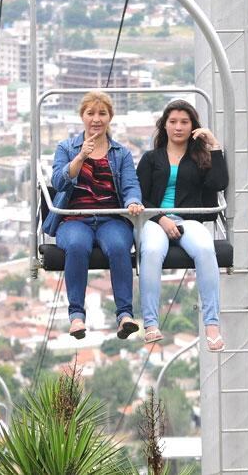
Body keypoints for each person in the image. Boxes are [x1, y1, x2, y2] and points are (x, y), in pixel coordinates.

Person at [43, 91, 145, 339]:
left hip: (110, 217)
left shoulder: (120, 153)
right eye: (91, 113)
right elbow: (58, 180)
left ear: (110, 117)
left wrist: (133, 201)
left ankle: (124, 315)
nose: (96, 119)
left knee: (120, 246)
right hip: (75, 217)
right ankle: (76, 315)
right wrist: (80, 157)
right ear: (82, 117)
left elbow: (130, 185)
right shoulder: (66, 148)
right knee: (77, 246)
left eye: (102, 113)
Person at [136, 100, 228, 351]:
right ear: (164, 126)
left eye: (184, 122)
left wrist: (214, 145)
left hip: (190, 219)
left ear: (193, 127)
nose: (178, 127)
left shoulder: (200, 158)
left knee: (206, 251)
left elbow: (219, 182)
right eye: (173, 122)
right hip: (157, 219)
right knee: (152, 252)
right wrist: (160, 218)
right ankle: (152, 323)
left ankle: (212, 323)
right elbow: (139, 196)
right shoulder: (151, 158)